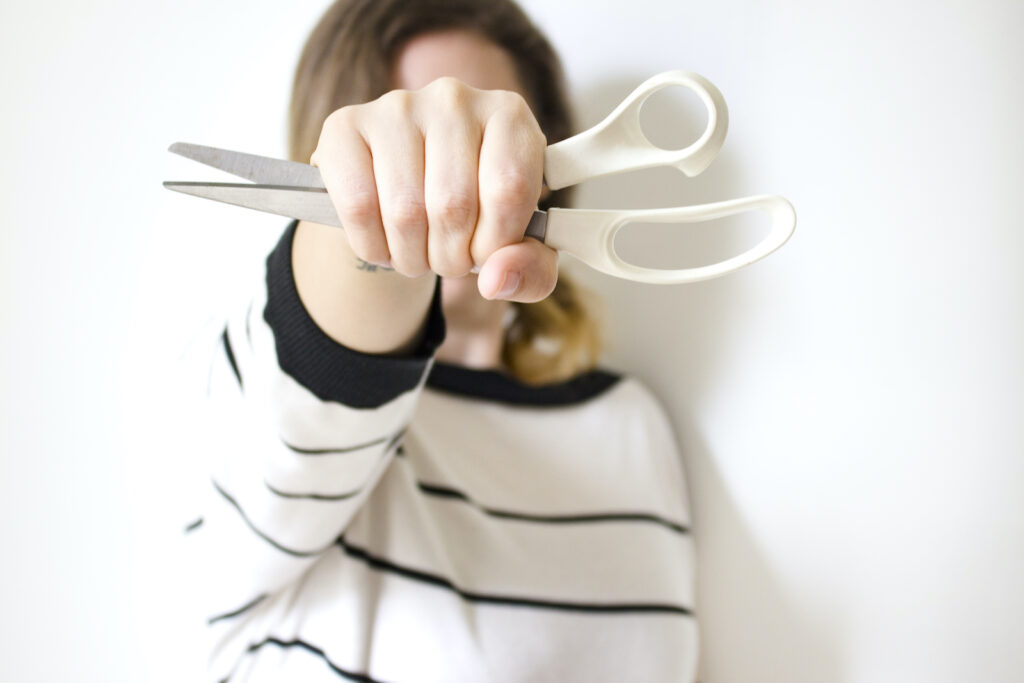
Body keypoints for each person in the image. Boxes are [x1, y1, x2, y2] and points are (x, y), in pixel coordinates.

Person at [182, 1, 697, 680]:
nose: (452, 174)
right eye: (408, 138)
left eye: (485, 138)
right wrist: (369, 243)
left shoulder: (631, 424)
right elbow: (320, 359)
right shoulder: (269, 425)